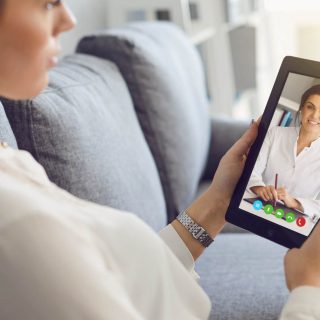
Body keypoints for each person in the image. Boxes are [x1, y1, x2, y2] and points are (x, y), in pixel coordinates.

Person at [0, 1, 319, 319]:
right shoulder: (17, 223)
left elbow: (125, 281)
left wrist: (218, 203)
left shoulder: (13, 162)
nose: (69, 20)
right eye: (48, 3)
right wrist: (308, 287)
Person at [248, 85, 320, 219]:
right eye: (310, 107)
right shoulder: (275, 134)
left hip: (296, 220)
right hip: (261, 207)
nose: (315, 115)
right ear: (301, 109)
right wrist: (260, 188)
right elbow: (252, 170)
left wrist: (294, 202)